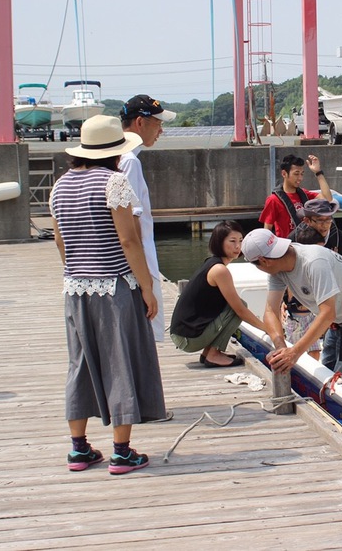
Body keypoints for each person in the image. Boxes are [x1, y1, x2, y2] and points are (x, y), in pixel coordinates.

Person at [49, 114, 166, 475]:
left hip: (75, 287)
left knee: (80, 364)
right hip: (114, 286)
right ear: (115, 151)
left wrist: (77, 268)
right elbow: (129, 240)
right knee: (120, 361)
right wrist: (147, 288)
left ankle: (79, 449)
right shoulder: (114, 182)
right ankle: (121, 452)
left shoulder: (60, 185)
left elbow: (60, 240)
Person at [241, 228, 342, 386]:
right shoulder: (277, 270)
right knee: (325, 375)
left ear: (264, 261)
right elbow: (270, 311)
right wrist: (281, 348)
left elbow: (328, 313)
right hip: (337, 321)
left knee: (341, 383)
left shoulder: (314, 262)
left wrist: (294, 353)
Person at [169, 220, 285, 365]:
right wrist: (268, 329)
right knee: (237, 307)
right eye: (232, 241)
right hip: (188, 339)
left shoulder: (212, 263)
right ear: (219, 242)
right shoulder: (219, 270)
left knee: (232, 306)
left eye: (241, 241)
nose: (238, 246)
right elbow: (240, 310)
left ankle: (208, 353)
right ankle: (213, 354)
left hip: (183, 334)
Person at [119, 94, 177, 342]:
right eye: (158, 124)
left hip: (121, 268)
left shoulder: (119, 158)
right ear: (140, 123)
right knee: (142, 339)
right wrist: (146, 284)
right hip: (134, 267)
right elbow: (129, 227)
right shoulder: (129, 161)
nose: (161, 131)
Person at [260, 153, 333, 238]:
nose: (300, 178)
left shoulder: (304, 194)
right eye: (296, 174)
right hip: (287, 244)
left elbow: (328, 199)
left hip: (306, 242)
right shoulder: (273, 200)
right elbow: (267, 230)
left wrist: (318, 172)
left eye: (302, 174)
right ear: (284, 174)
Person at [285, 222, 327, 359]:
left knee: (314, 352)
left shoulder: (318, 266)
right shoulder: (294, 266)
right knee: (298, 352)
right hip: (296, 315)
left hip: (311, 314)